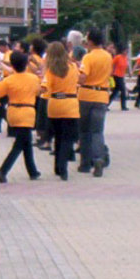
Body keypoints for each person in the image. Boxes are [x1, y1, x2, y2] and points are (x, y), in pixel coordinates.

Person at [0, 51, 42, 183]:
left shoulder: (8, 80)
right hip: (27, 112)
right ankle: (3, 170)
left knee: (26, 141)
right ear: (26, 64)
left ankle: (33, 171)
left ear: (12, 65)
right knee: (19, 144)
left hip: (13, 111)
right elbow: (39, 91)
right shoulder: (33, 78)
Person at [42, 42, 80, 181]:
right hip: (70, 104)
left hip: (55, 104)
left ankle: (57, 167)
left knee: (57, 136)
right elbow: (77, 81)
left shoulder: (50, 70)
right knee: (67, 138)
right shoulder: (73, 67)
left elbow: (46, 88)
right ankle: (63, 167)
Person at [77, 28, 112, 177]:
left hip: (86, 95)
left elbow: (83, 77)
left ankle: (85, 164)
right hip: (102, 96)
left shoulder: (88, 57)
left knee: (84, 131)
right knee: (97, 131)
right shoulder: (108, 56)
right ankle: (98, 158)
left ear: (90, 41)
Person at [109, 43, 129, 111]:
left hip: (121, 75)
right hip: (116, 75)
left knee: (115, 91)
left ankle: (107, 104)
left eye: (127, 51)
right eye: (125, 51)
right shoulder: (118, 57)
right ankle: (123, 106)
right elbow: (112, 64)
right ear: (122, 51)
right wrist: (111, 72)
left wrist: (128, 73)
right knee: (123, 90)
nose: (126, 52)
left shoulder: (126, 58)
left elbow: (126, 66)